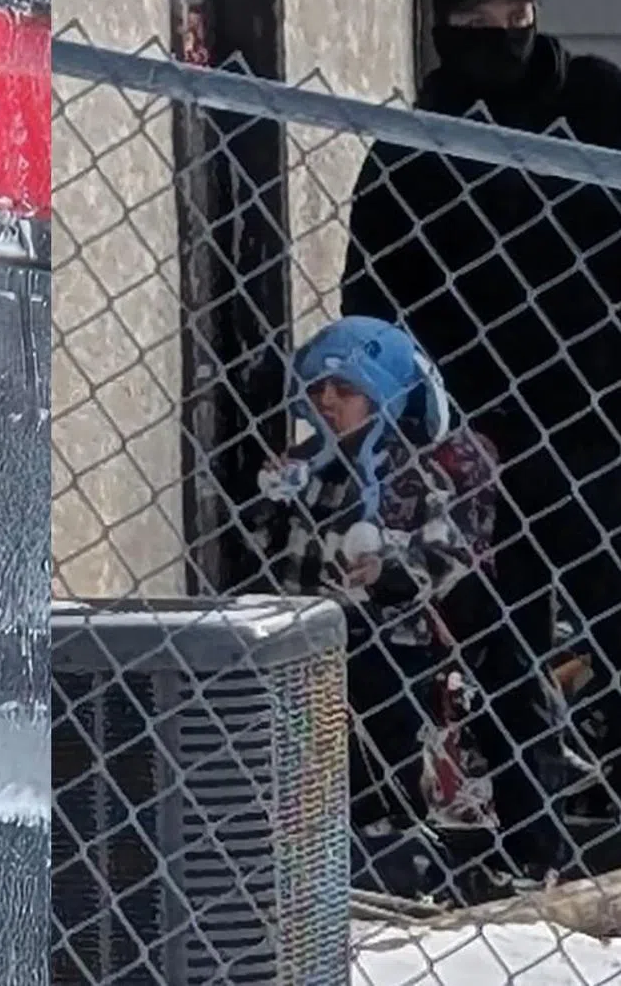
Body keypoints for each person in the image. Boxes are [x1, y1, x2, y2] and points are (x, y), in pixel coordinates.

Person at [341, 0, 621, 872]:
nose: (503, 36)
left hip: (599, 422)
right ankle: (536, 848)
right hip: (479, 441)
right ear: (443, 32)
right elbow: (373, 295)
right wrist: (403, 425)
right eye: (479, 23)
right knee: (506, 649)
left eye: (516, 17)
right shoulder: (415, 144)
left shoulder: (597, 102)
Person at [245, 317, 500, 881]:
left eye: (346, 390)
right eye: (318, 389)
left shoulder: (414, 470)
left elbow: (450, 551)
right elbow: (270, 549)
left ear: (383, 394)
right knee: (307, 745)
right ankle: (321, 845)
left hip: (388, 638)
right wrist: (271, 501)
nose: (328, 401)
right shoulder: (309, 464)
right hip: (306, 632)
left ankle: (397, 846)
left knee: (387, 744)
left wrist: (391, 570)